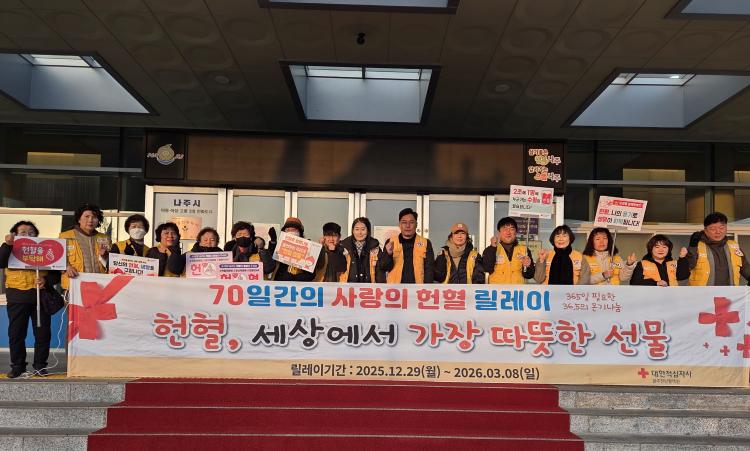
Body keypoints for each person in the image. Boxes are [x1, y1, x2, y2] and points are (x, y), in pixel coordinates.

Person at [0, 221, 51, 378]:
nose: (27, 234)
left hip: (40, 297)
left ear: (36, 235)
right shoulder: (9, 248)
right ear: (14, 234)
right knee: (16, 334)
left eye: (31, 232)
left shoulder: (45, 249)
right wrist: (7, 245)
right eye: (22, 232)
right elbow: (1, 262)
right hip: (17, 298)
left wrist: (46, 280)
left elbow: (56, 272)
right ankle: (18, 366)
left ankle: (40, 366)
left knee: (42, 334)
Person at [687, 212, 750, 286]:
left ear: (726, 228)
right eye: (713, 229)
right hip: (702, 292)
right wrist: (692, 247)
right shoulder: (696, 246)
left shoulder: (733, 246)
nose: (718, 232)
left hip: (730, 292)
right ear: (705, 230)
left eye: (721, 228)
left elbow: (746, 269)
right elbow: (687, 268)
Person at [59, 203, 110, 290]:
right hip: (74, 285)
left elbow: (111, 265)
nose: (90, 220)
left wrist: (105, 256)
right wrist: (67, 267)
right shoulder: (65, 236)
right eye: (87, 216)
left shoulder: (105, 238)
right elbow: (56, 259)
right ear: (79, 219)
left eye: (94, 217)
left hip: (100, 286)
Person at [378, 208, 435, 284]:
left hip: (418, 288)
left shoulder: (425, 243)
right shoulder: (391, 241)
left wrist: (427, 288)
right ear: (399, 225)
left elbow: (429, 270)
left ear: (416, 224)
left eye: (411, 222)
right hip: (395, 289)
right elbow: (384, 267)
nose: (408, 226)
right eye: (404, 222)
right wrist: (388, 254)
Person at [482, 217, 534, 284]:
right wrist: (492, 248)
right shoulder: (491, 249)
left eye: (512, 229)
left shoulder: (524, 250)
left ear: (516, 232)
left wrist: (528, 266)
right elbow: (487, 268)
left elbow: (529, 275)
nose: (508, 232)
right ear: (499, 232)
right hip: (497, 290)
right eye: (505, 229)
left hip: (517, 290)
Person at [269, 217, 322, 282]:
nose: (291, 232)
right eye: (288, 230)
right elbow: (270, 261)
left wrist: (296, 277)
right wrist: (273, 242)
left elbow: (311, 274)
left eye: (293, 230)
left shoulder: (309, 248)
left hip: (301, 286)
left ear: (300, 232)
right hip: (281, 284)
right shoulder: (280, 246)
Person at [340, 217, 385, 283]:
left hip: (369, 287)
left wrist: (381, 286)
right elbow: (339, 268)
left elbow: (379, 271)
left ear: (368, 230)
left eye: (363, 229)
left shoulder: (375, 247)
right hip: (348, 287)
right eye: (357, 229)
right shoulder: (344, 246)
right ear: (353, 231)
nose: (360, 232)